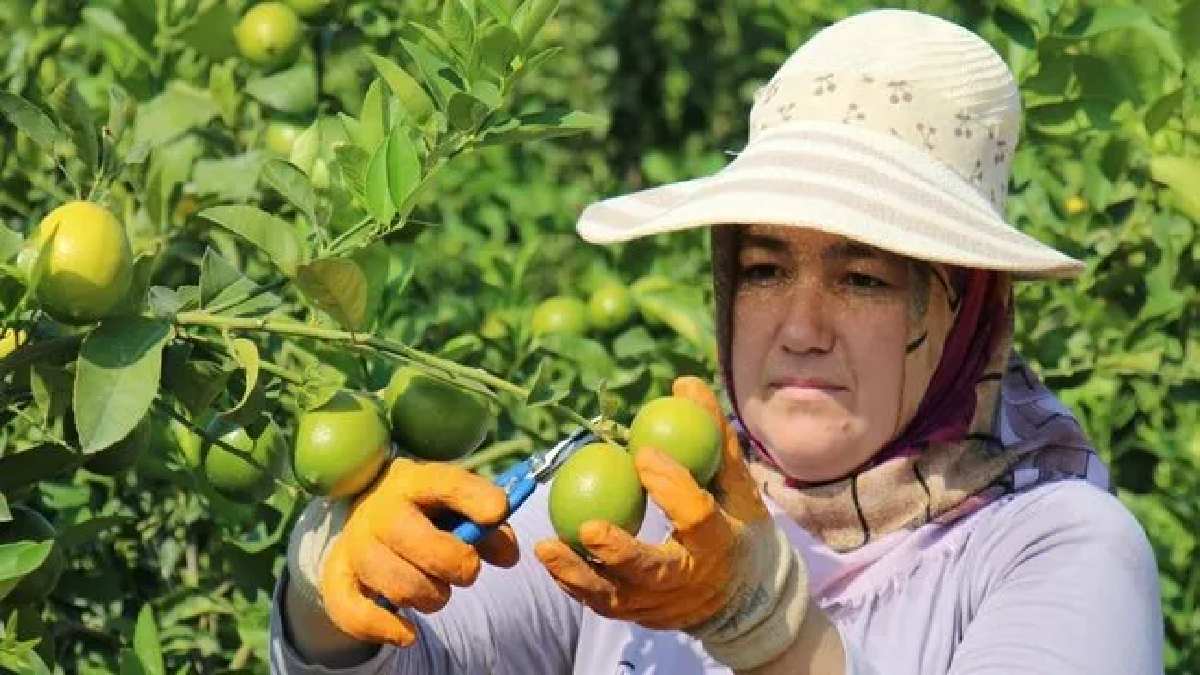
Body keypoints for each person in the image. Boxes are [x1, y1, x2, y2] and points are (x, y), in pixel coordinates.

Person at [269, 9, 1165, 674]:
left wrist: (775, 632)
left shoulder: (1054, 547)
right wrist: (334, 592)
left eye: (862, 279)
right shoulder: (649, 499)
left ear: (964, 308)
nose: (802, 328)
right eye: (767, 269)